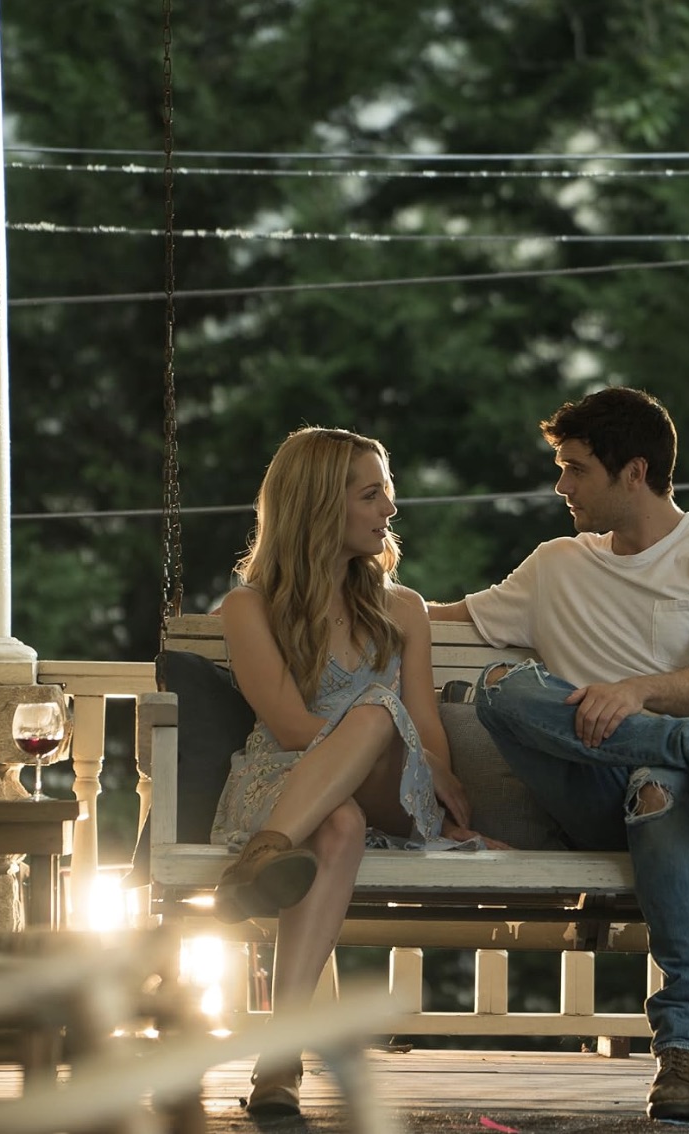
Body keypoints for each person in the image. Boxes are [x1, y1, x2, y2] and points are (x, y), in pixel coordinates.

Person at [428, 386, 689, 1123]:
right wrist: (335, 585)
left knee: (661, 786)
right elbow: (441, 618)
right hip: (606, 796)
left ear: (634, 471)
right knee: (499, 688)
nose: (561, 485)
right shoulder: (555, 564)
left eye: (576, 469)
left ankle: (685, 1055)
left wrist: (633, 693)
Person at [209, 426, 502, 1116]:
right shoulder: (248, 609)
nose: (388, 511)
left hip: (397, 790)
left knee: (373, 715)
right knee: (337, 819)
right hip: (283, 785)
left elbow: (427, 736)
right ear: (318, 505)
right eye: (372, 496)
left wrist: (396, 753)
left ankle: (260, 860)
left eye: (387, 495)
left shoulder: (402, 609)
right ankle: (279, 1061)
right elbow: (286, 727)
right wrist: (358, 744)